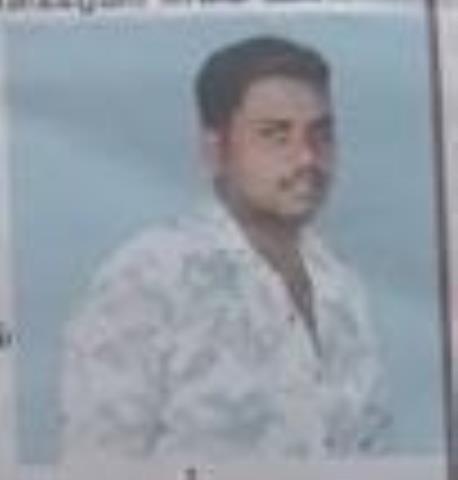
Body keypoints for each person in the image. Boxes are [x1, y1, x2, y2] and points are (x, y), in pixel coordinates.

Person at [61, 36, 390, 463]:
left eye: (321, 134)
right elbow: (93, 463)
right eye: (276, 135)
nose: (307, 158)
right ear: (216, 151)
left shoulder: (344, 289)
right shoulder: (148, 281)